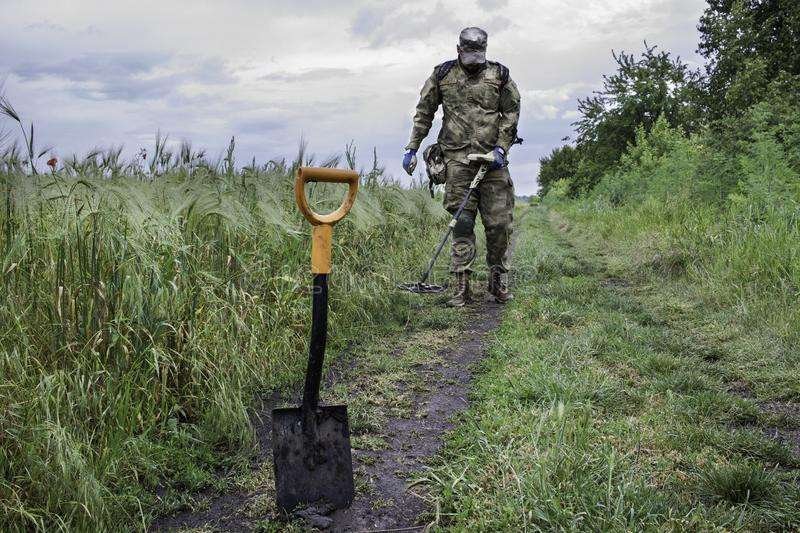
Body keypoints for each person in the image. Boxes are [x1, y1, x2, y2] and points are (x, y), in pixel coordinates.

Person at [403, 27, 521, 307]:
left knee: (499, 225)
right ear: (459, 50)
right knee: (462, 224)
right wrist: (412, 148)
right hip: (457, 161)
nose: (473, 63)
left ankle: (497, 281)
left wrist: (501, 147)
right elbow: (424, 112)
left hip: (493, 164)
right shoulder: (442, 75)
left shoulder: (500, 75)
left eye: (478, 57)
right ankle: (461, 287)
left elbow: (511, 111)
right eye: (469, 56)